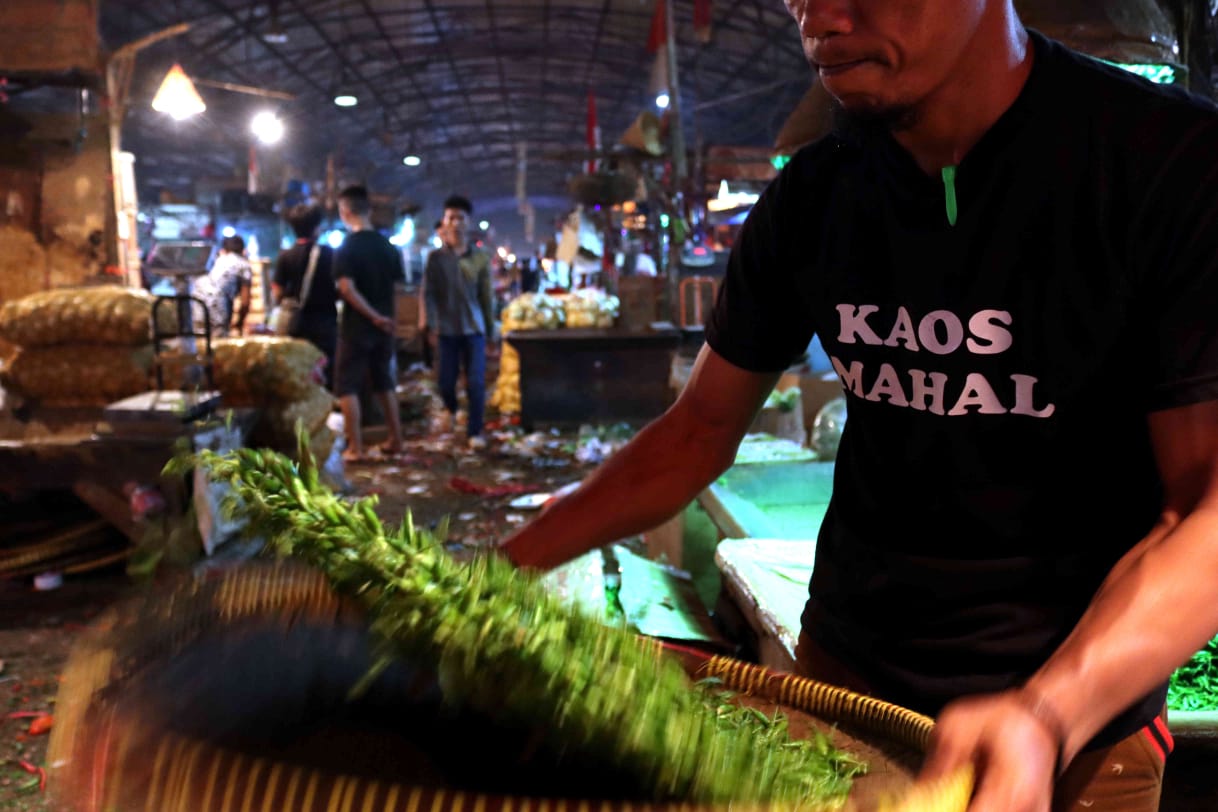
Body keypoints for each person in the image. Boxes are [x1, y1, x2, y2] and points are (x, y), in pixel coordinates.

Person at [501, 3, 1218, 811]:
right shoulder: (816, 193)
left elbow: (1204, 509)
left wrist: (1047, 715)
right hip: (844, 687)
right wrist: (494, 576)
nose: (821, 21)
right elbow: (696, 433)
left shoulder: (1169, 168)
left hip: (1082, 733)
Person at [332, 184, 404, 462]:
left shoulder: (347, 247)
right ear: (369, 210)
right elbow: (396, 289)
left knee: (347, 386)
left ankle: (355, 447)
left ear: (345, 212)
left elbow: (347, 289)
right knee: (384, 382)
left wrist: (372, 316)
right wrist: (388, 320)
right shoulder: (387, 246)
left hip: (357, 327)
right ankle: (397, 440)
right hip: (385, 326)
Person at [423, 194, 494, 450]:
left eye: (460, 218)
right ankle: (451, 409)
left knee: (475, 381)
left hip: (474, 329)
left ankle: (475, 431)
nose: (455, 223)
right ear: (444, 221)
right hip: (446, 330)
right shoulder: (435, 259)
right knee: (445, 381)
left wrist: (491, 330)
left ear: (468, 222)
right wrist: (429, 324)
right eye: (450, 217)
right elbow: (428, 293)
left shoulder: (480, 258)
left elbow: (487, 296)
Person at [271, 203, 338, 388]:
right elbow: (340, 288)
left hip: (295, 324)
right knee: (324, 370)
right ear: (317, 228)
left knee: (297, 370)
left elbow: (277, 292)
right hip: (325, 323)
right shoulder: (329, 254)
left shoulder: (285, 256)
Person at [193, 234, 251, 338]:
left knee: (199, 345)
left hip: (196, 304)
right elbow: (245, 302)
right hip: (217, 308)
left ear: (224, 249)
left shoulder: (214, 260)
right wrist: (240, 323)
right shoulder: (243, 264)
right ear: (243, 250)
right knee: (218, 347)